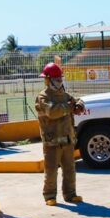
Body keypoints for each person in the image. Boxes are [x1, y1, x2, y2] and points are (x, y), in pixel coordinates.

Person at [36, 62, 85, 206]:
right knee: (51, 170)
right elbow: (52, 112)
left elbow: (75, 101)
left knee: (70, 169)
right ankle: (49, 195)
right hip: (52, 141)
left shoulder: (64, 94)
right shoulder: (43, 97)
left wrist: (79, 105)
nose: (59, 82)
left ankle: (70, 194)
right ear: (48, 80)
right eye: (56, 79)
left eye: (60, 79)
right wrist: (69, 107)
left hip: (68, 139)